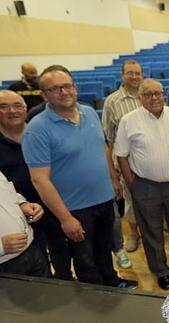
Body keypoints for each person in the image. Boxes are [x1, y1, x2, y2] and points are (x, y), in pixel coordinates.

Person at [22, 65, 137, 289]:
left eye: (67, 86)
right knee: (85, 261)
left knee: (104, 250)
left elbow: (103, 148)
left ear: (75, 87)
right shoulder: (37, 129)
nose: (64, 92)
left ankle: (112, 283)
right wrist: (65, 219)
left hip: (103, 200)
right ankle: (96, 298)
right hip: (75, 209)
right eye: (55, 89)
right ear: (43, 95)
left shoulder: (89, 112)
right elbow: (40, 180)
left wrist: (113, 179)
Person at [114, 79, 169, 290]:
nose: (155, 97)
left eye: (158, 93)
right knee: (151, 230)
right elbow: (121, 155)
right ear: (140, 98)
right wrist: (132, 183)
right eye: (148, 94)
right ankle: (161, 271)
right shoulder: (129, 120)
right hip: (145, 185)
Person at [0, 89, 72, 280]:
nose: (12, 111)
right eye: (3, 107)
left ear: (26, 109)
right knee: (34, 256)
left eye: (17, 106)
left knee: (61, 248)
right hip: (20, 215)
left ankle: (64, 280)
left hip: (52, 202)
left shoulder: (41, 132)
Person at [101, 59, 144, 267]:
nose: (134, 77)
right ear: (122, 75)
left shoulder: (148, 95)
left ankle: (151, 231)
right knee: (131, 201)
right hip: (126, 163)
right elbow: (108, 139)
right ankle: (133, 234)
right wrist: (112, 173)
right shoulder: (112, 102)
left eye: (137, 73)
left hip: (148, 160)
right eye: (130, 73)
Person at [0, 171, 50, 278]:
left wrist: (23, 205)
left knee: (48, 293)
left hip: (30, 250)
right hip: (5, 264)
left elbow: (9, 195)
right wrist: (1, 246)